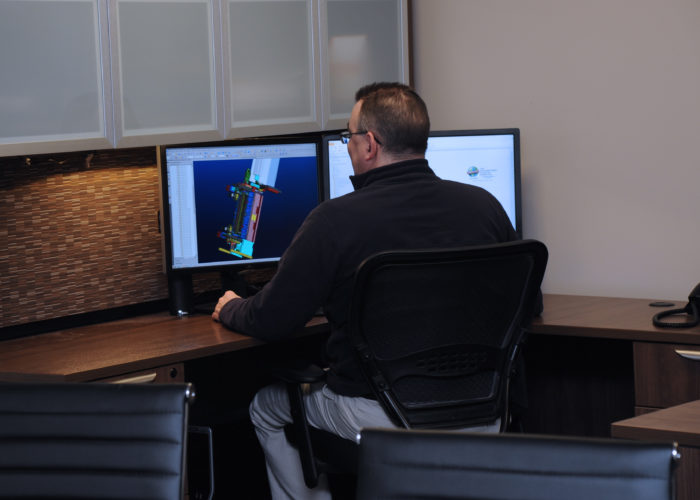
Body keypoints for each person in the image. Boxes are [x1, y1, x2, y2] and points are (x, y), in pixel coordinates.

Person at [213, 82, 524, 500]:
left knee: (266, 409)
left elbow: (272, 320)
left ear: (370, 144)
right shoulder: (484, 206)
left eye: (349, 137)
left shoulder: (334, 220)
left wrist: (231, 307)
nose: (348, 146)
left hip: (381, 415)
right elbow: (526, 305)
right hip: (484, 411)